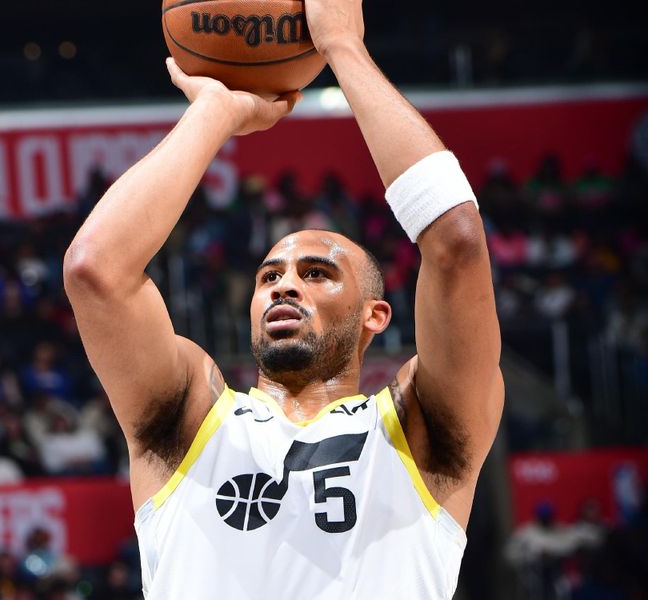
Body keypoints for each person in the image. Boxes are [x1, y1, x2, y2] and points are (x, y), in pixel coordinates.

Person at [63, 0, 504, 597]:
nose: (285, 285)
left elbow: (456, 242)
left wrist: (345, 49)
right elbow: (96, 270)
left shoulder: (420, 428)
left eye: (317, 273)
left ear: (376, 314)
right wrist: (215, 111)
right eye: (268, 277)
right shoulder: (191, 419)